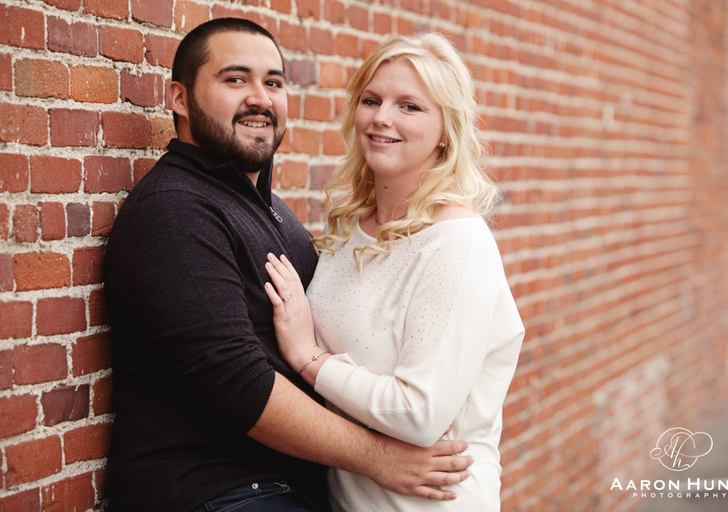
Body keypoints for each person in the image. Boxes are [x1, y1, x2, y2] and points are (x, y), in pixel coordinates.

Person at [103, 18, 474, 512]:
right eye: (235, 80)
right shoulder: (175, 208)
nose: (260, 98)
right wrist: (380, 458)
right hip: (220, 493)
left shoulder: (274, 214)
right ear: (179, 98)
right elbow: (235, 381)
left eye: (273, 82)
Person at [263, 33, 526, 511]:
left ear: (447, 128)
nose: (382, 117)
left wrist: (309, 358)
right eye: (371, 100)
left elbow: (420, 413)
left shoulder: (457, 244)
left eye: (410, 106)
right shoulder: (346, 233)